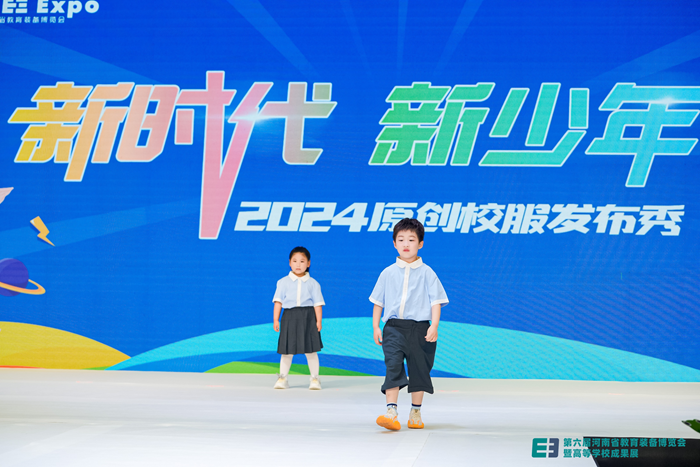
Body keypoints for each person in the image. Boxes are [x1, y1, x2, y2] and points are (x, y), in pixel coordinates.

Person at [369, 218, 448, 430]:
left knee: (419, 369)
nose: (406, 244)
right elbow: (378, 302)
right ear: (394, 243)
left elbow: (436, 301)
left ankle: (415, 412)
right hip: (393, 328)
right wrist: (376, 326)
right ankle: (391, 411)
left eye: (411, 240)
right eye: (401, 239)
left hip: (420, 329)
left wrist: (434, 326)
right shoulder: (387, 273)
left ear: (420, 243)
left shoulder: (428, 272)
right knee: (393, 365)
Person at [272, 246, 325, 390]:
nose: (298, 264)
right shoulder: (282, 282)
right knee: (287, 351)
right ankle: (282, 378)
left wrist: (318, 321)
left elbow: (317, 304)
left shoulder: (314, 283)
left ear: (308, 263)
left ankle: (315, 379)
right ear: (289, 262)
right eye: (294, 261)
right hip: (289, 317)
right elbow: (278, 302)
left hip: (308, 318)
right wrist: (276, 319)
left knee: (311, 351)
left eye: (302, 261)